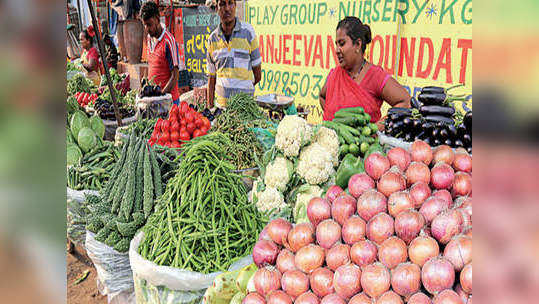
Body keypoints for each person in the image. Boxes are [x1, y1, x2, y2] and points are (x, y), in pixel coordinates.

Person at [319, 17, 410, 123]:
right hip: (332, 139)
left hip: (366, 139)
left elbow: (406, 102)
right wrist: (337, 124)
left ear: (358, 44)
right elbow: (322, 96)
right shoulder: (335, 74)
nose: (337, 50)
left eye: (342, 43)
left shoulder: (375, 76)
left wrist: (378, 128)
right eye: (336, 44)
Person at [206, 0, 262, 108]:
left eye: (230, 3)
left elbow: (258, 75)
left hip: (245, 110)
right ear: (217, 8)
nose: (227, 9)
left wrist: (242, 88)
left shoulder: (248, 33)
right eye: (222, 4)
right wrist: (210, 109)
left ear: (235, 6)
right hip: (221, 111)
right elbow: (211, 80)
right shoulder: (212, 39)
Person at [140, 1, 182, 104]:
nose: (147, 29)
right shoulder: (149, 39)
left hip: (169, 101)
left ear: (157, 19)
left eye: (149, 25)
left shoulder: (169, 41)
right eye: (144, 25)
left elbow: (175, 76)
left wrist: (161, 95)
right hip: (155, 100)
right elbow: (150, 66)